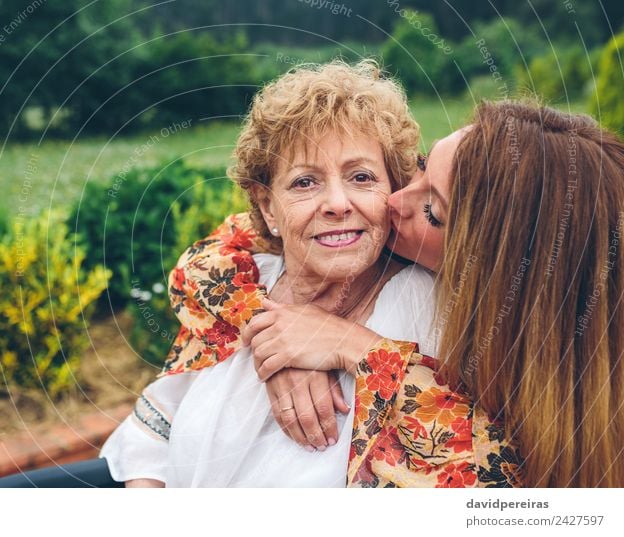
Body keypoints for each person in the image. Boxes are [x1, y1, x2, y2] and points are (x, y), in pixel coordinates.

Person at [168, 101, 624, 487]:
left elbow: (489, 474)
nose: (394, 201)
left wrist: (356, 348)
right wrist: (271, 333)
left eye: (432, 210)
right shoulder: (304, 262)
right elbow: (212, 257)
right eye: (421, 169)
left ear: (496, 272)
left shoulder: (487, 344)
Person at [99, 59, 444, 487]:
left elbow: (464, 452)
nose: (337, 203)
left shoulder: (423, 306)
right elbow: (152, 430)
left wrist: (351, 348)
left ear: (391, 192)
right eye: (304, 182)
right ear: (267, 207)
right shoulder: (240, 287)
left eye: (361, 176)